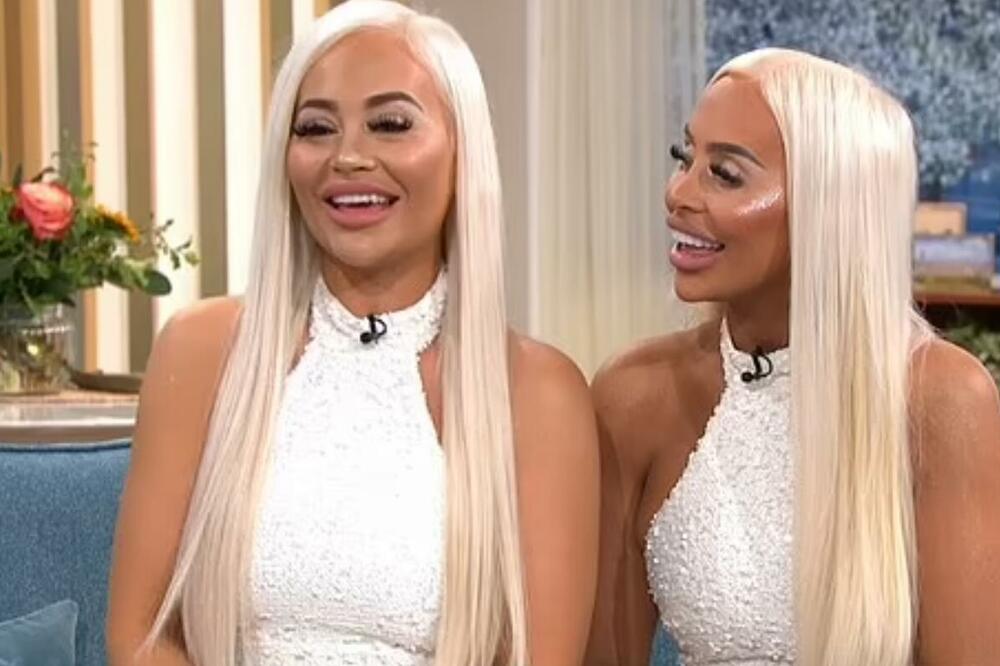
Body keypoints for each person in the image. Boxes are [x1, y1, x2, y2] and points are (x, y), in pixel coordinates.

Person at [106, 2, 599, 664]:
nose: (348, 157)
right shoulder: (201, 350)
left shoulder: (539, 392)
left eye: (390, 124)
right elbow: (140, 637)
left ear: (464, 150)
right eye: (316, 128)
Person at [586, 48, 1000, 665]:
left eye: (725, 174)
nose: (678, 192)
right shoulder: (633, 394)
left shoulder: (941, 398)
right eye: (684, 158)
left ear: (828, 205)